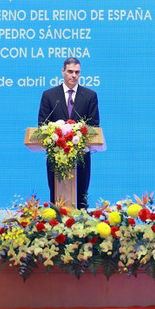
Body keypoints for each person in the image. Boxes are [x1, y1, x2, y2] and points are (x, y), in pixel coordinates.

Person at [37, 57, 100, 208]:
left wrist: (78, 131)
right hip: (57, 157)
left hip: (81, 159)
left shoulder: (90, 96)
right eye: (70, 71)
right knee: (56, 198)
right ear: (63, 72)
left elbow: (94, 125)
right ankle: (56, 227)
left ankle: (81, 230)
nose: (74, 75)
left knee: (81, 197)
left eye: (77, 72)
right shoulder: (49, 95)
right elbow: (42, 124)